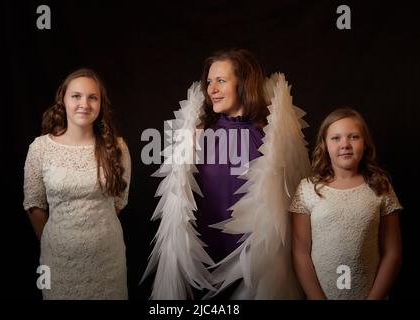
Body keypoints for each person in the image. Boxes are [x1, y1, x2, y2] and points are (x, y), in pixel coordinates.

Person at [142, 49, 310, 299]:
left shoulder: (272, 137)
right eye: (209, 82)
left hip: (254, 264)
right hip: (205, 257)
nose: (211, 89)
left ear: (243, 83)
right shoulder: (196, 134)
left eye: (221, 80)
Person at [23, 68, 131, 299]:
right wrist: (57, 240)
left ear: (101, 104)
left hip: (107, 260)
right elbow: (34, 204)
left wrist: (94, 233)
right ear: (63, 99)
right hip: (59, 261)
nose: (85, 103)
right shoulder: (40, 148)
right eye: (76, 96)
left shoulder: (118, 147)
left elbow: (120, 201)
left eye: (93, 97)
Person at [290, 107, 403, 299]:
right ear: (324, 144)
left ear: (365, 143)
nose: (345, 144)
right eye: (336, 138)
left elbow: (393, 253)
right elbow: (300, 253)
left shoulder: (380, 187)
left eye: (354, 137)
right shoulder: (307, 189)